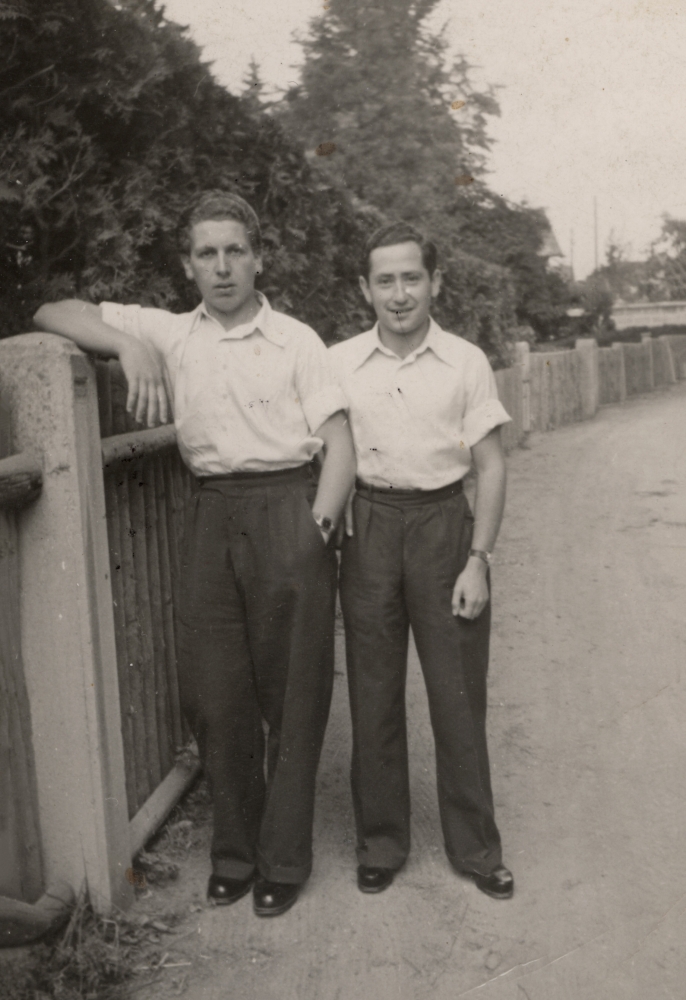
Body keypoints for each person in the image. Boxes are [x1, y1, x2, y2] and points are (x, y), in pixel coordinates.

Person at [34, 190, 356, 917]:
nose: (222, 266)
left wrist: (318, 525)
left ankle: (283, 859)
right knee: (215, 696)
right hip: (210, 512)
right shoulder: (173, 333)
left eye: (235, 250)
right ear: (188, 266)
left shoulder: (297, 340)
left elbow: (339, 444)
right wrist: (126, 342)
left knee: (294, 695)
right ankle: (235, 854)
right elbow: (50, 312)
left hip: (288, 511)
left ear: (258, 257)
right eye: (206, 253)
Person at [330, 221, 514, 899]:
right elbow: (320, 452)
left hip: (444, 527)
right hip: (371, 529)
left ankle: (476, 848)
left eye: (412, 278)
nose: (400, 293)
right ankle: (381, 842)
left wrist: (479, 559)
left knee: (457, 698)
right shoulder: (339, 361)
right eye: (385, 280)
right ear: (365, 288)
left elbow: (491, 467)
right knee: (373, 695)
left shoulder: (465, 360)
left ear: (434, 282)